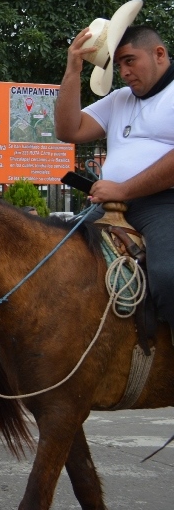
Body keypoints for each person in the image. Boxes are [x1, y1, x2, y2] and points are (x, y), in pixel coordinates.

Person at [56, 18, 174, 321]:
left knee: (168, 276)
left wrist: (123, 188)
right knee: (52, 258)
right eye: (118, 65)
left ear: (159, 54)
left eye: (130, 61)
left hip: (164, 205)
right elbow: (68, 130)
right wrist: (72, 70)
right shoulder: (119, 98)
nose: (123, 73)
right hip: (109, 204)